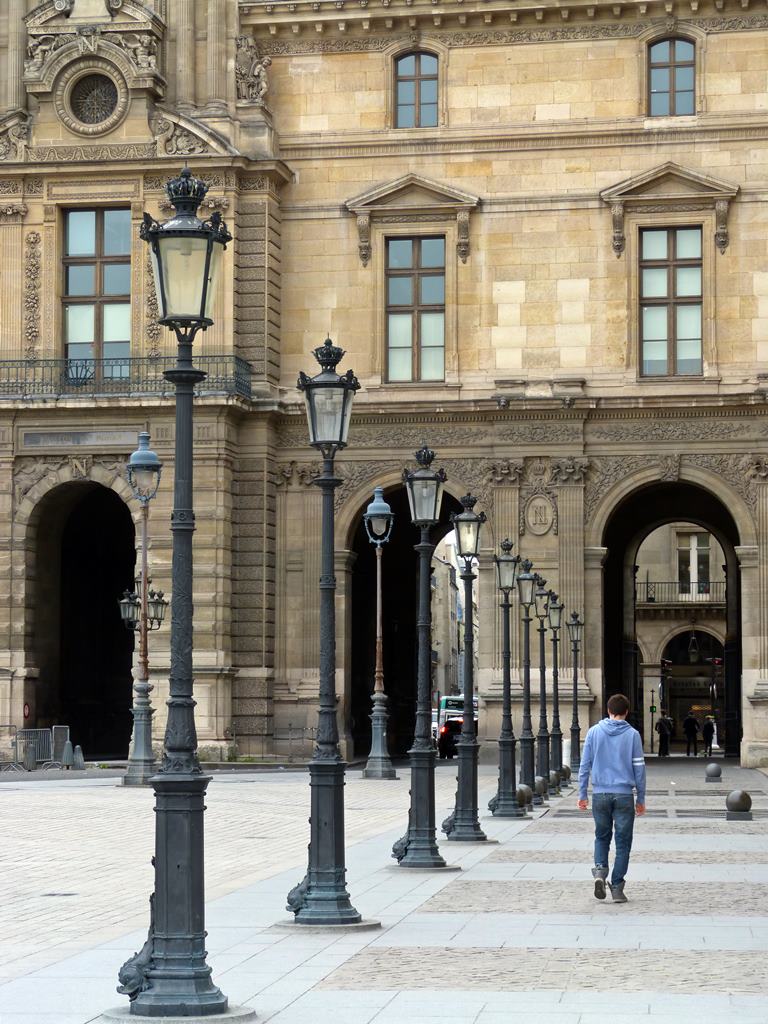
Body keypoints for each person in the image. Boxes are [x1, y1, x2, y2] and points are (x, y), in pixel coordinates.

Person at [578, 693, 646, 904]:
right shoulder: (633, 734)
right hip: (624, 794)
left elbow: (584, 766)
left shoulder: (594, 732)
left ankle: (600, 871)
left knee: (601, 836)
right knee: (623, 842)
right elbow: (639, 769)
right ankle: (617, 887)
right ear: (626, 712)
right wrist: (641, 798)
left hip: (600, 794)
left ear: (608, 710)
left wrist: (582, 794)